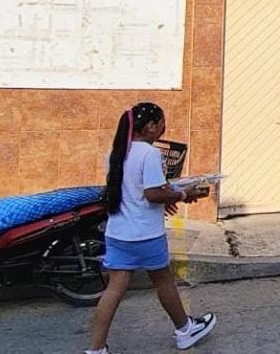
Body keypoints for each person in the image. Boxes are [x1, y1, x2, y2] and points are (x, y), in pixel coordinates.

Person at [85, 103, 216, 354]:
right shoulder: (149, 154)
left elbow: (133, 191)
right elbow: (153, 193)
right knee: (164, 281)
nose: (164, 129)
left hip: (118, 233)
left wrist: (168, 196)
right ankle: (185, 331)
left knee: (113, 290)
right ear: (150, 127)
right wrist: (182, 194)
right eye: (162, 124)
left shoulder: (116, 152)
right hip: (145, 234)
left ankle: (95, 349)